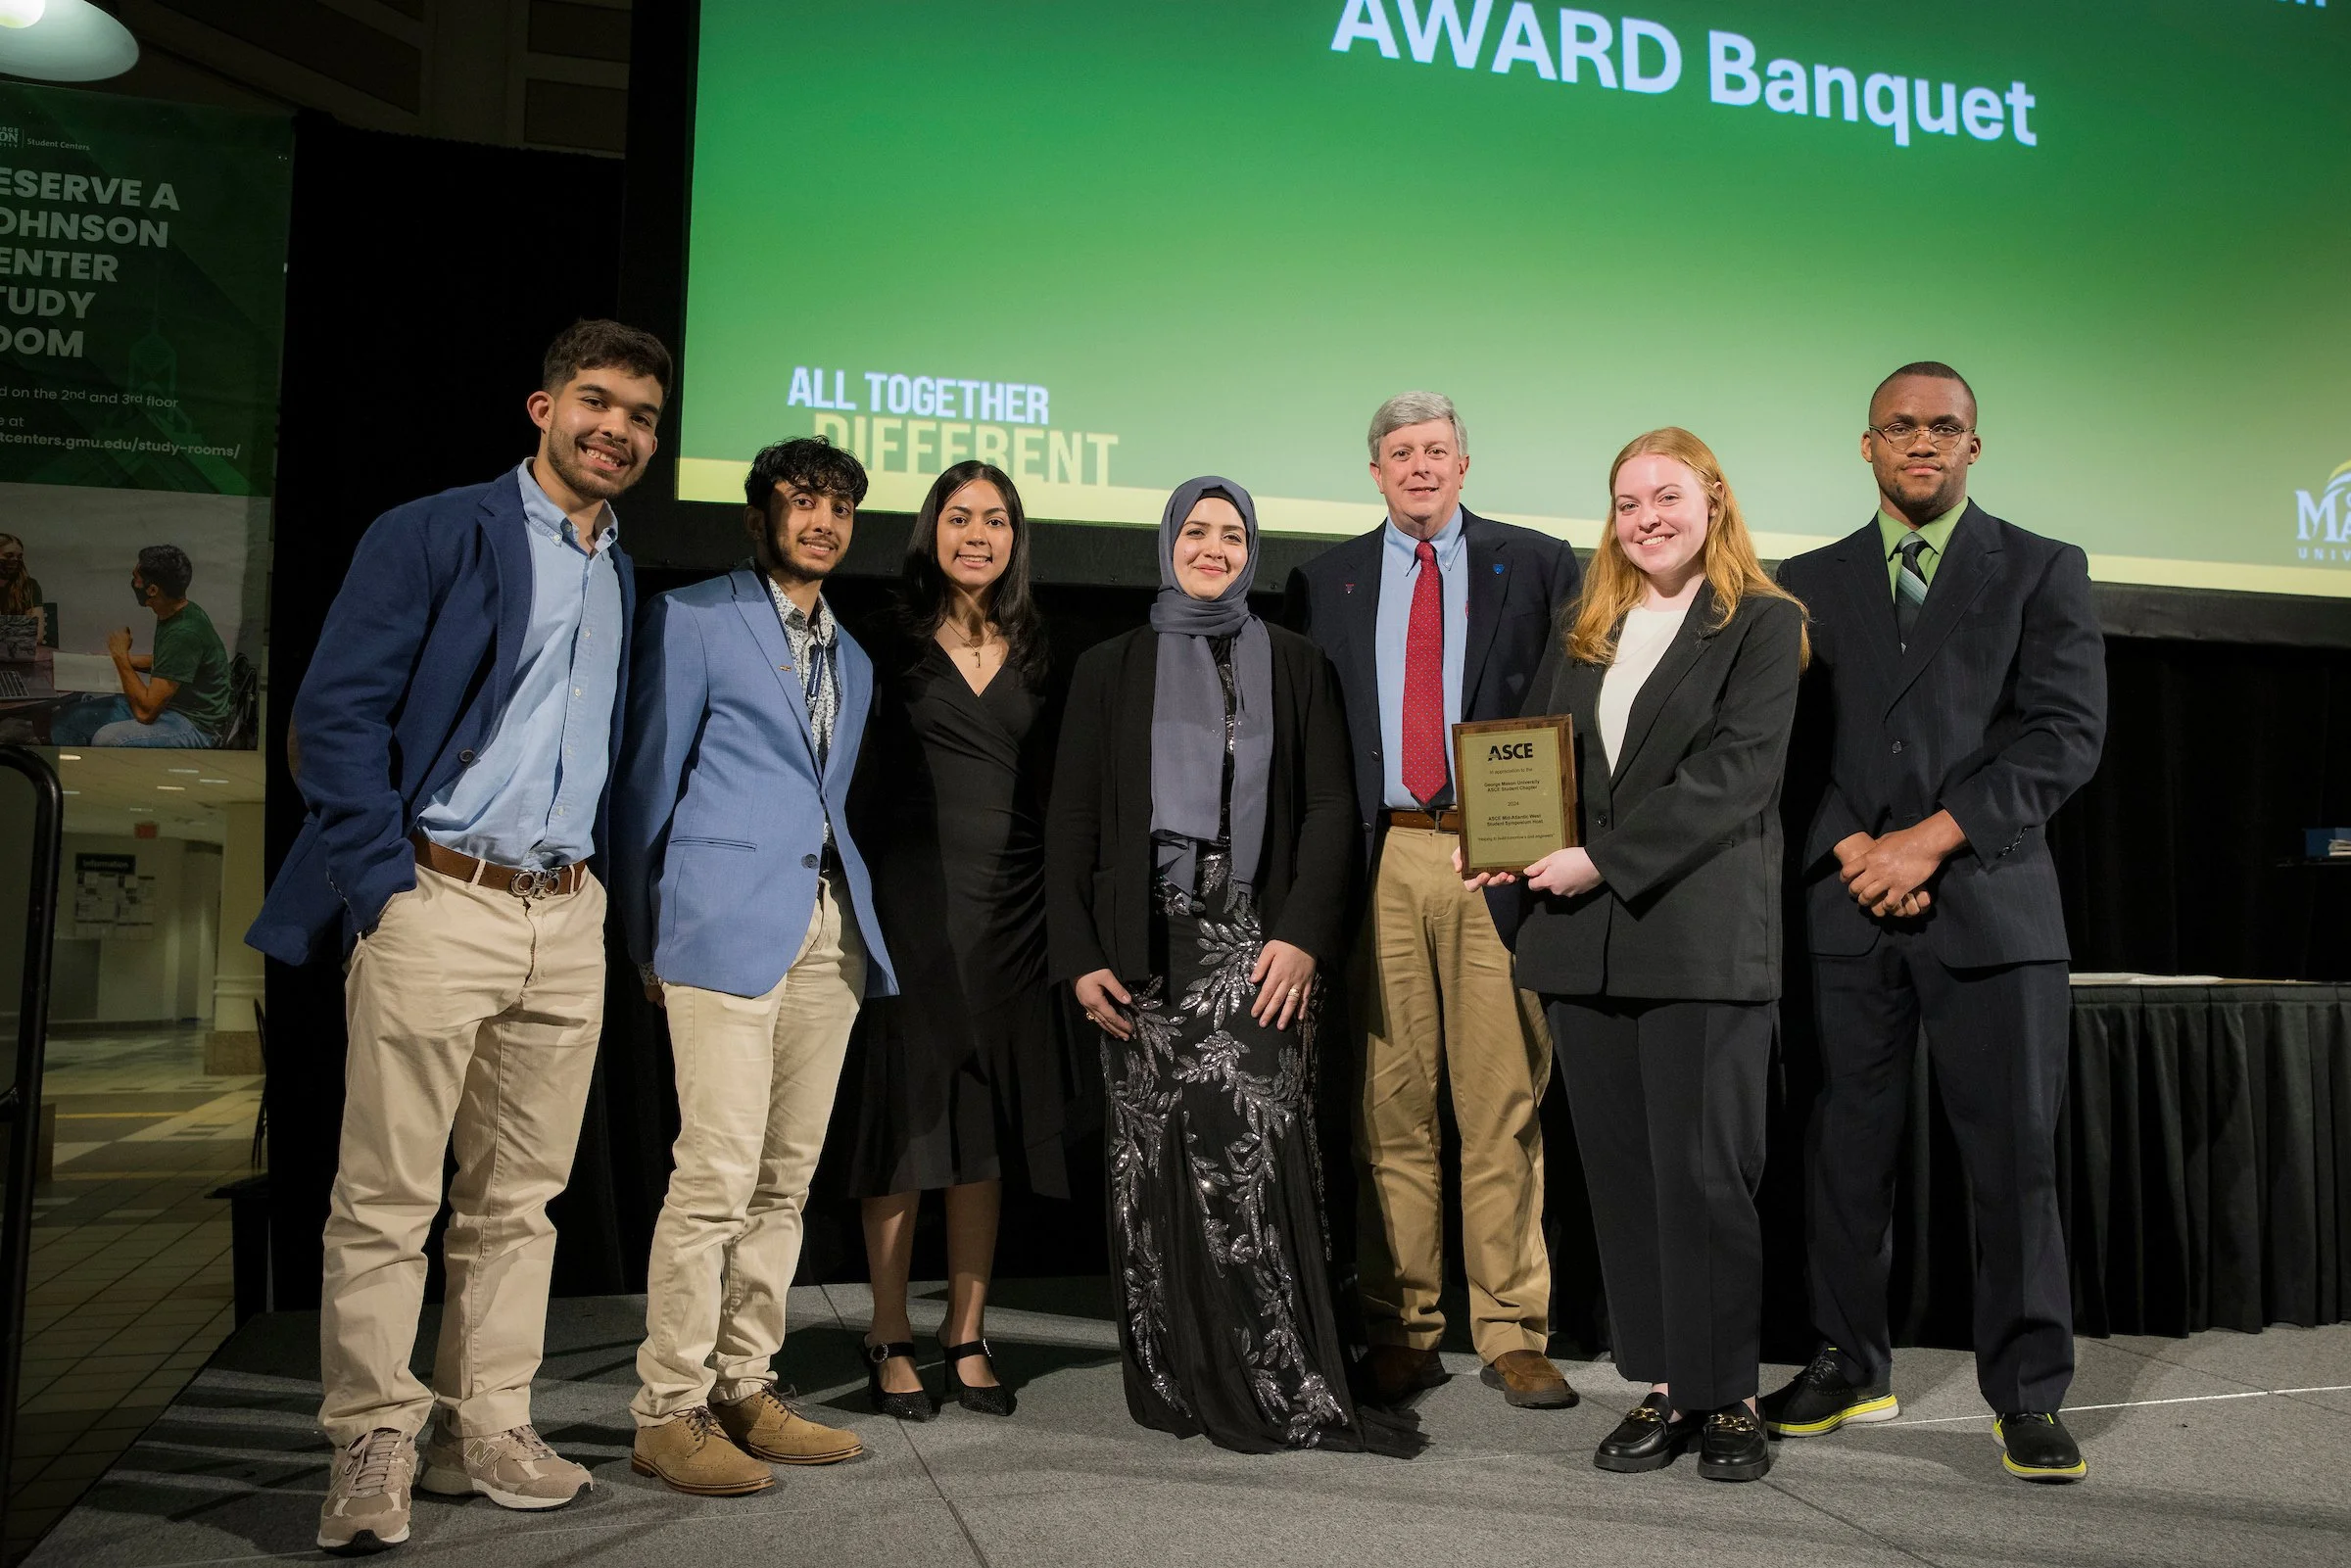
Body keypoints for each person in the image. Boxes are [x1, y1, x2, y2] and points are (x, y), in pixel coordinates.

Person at [243, 319, 670, 1553]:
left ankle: (485, 1421)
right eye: (596, 401)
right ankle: (373, 1435)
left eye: (641, 415)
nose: (619, 429)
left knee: (519, 1202)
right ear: (542, 407)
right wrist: (388, 887)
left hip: (565, 913)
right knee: (385, 1196)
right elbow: (334, 721)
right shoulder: (435, 529)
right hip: (440, 898)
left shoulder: (617, 567)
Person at [1767, 361, 2106, 1483]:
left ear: (1975, 445)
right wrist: (1861, 847)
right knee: (1840, 1156)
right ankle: (1848, 1359)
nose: (1924, 442)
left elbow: (2063, 735)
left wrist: (1933, 837)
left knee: (2015, 1158)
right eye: (1902, 427)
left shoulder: (2042, 568)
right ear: (1866, 446)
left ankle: (2028, 1393)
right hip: (1845, 904)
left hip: (1994, 907)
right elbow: (1781, 750)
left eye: (1946, 427)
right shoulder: (1801, 583)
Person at [1046, 476, 1419, 1457]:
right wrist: (1078, 955)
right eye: (1197, 530)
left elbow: (1335, 809)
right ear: (1167, 540)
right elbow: (1072, 820)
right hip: (1139, 948)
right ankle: (1174, 1371)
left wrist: (1301, 934)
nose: (1213, 545)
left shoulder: (1295, 662)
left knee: (1246, 1163)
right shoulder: (1109, 667)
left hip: (1257, 944)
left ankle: (1274, 1375)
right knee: (1147, 1168)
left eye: (1233, 532)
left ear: (1252, 548)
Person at [1469, 429, 1805, 1482]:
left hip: (1697, 943)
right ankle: (1667, 1385)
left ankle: (1731, 1396)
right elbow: (1535, 755)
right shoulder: (1589, 627)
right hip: (1589, 949)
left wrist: (1596, 861)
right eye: (1626, 501)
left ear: (1713, 498)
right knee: (1625, 1182)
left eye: (1665, 495)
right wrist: (1511, 849)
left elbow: (1734, 778)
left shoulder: (1762, 622)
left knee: (1706, 1179)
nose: (1645, 517)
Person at [1283, 391, 1583, 1409]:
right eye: (1400, 452)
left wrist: (1541, 840)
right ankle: (1401, 1325)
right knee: (1389, 1106)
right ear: (1375, 471)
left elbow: (1573, 712)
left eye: (1437, 450)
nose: (1419, 466)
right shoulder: (1325, 580)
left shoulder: (1539, 563)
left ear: (1466, 463)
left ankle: (1511, 1329)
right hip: (1385, 858)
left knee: (1502, 1104)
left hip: (1495, 857)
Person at [614, 436, 897, 1496]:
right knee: (717, 1175)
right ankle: (667, 1407)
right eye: (802, 501)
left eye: (839, 507)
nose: (821, 520)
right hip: (719, 924)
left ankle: (744, 1382)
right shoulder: (692, 619)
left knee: (784, 1180)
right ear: (760, 513)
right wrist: (645, 936)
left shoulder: (854, 657)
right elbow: (644, 787)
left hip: (829, 927)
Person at [839, 460, 1079, 1421]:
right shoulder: (884, 640)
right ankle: (889, 1329)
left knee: (981, 1129)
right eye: (959, 516)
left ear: (1016, 536)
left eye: (995, 519)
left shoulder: (1037, 646)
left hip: (1013, 915)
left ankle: (966, 1330)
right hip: (911, 908)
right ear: (930, 528)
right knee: (904, 1124)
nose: (977, 534)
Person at [50, 544, 232, 747]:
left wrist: (120, 656)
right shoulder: (175, 612)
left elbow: (145, 712)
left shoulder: (184, 631)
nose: (133, 582)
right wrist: (128, 661)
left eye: (136, 577)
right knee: (66, 722)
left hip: (196, 724)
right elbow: (173, 661)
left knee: (109, 738)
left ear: (152, 590)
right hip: (173, 706)